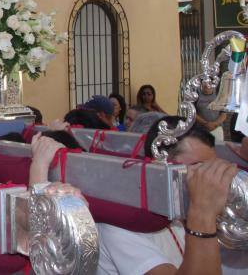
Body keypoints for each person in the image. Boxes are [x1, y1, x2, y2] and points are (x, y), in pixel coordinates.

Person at [96, 116, 242, 274]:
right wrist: (202, 214)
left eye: (211, 168)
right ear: (159, 170)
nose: (207, 178)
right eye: (198, 168)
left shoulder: (189, 208)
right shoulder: (121, 225)